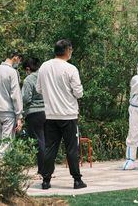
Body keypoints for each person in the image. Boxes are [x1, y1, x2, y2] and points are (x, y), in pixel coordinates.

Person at [36, 39, 86, 190]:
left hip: (50, 114)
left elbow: (38, 89)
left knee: (50, 148)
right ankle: (77, 180)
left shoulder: (44, 66)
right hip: (68, 114)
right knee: (71, 148)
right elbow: (78, 92)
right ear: (68, 50)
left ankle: (46, 180)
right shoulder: (71, 69)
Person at [0, 50, 23, 164]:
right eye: (19, 60)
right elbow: (15, 95)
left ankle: (6, 171)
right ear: (15, 58)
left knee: (0, 143)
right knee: (6, 143)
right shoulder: (12, 72)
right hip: (8, 111)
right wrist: (19, 116)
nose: (19, 62)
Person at [22, 57, 45, 177]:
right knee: (47, 142)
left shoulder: (29, 79)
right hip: (48, 112)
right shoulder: (45, 77)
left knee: (39, 142)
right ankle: (48, 169)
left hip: (34, 113)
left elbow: (26, 98)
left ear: (27, 68)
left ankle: (42, 171)